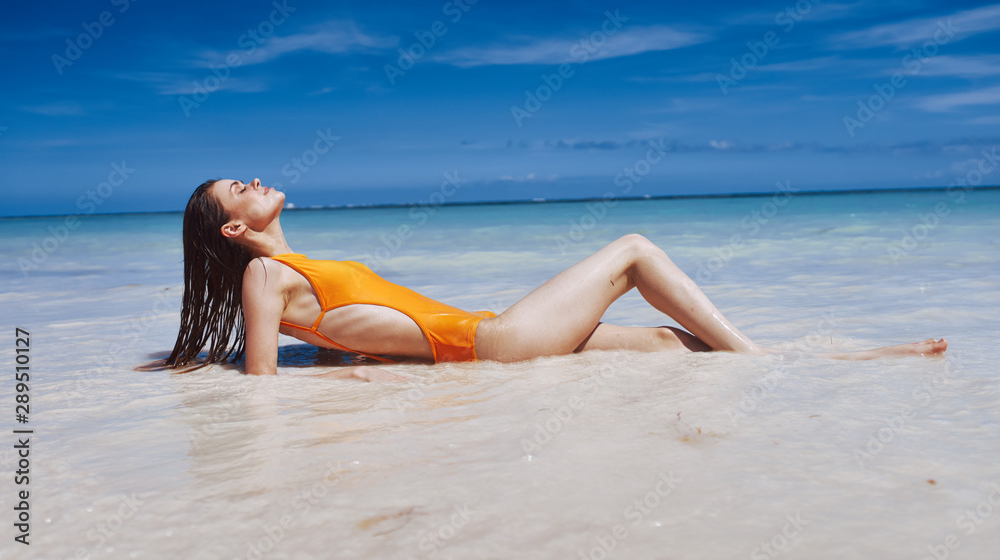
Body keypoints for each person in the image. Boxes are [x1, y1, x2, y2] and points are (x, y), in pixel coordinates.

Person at [157, 177, 948, 380]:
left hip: (485, 341)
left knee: (682, 348)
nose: (256, 181)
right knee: (634, 248)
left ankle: (852, 359)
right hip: (492, 341)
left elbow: (341, 335)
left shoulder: (291, 273)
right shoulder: (265, 277)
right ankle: (766, 360)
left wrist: (363, 365)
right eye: (240, 188)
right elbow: (262, 388)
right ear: (235, 228)